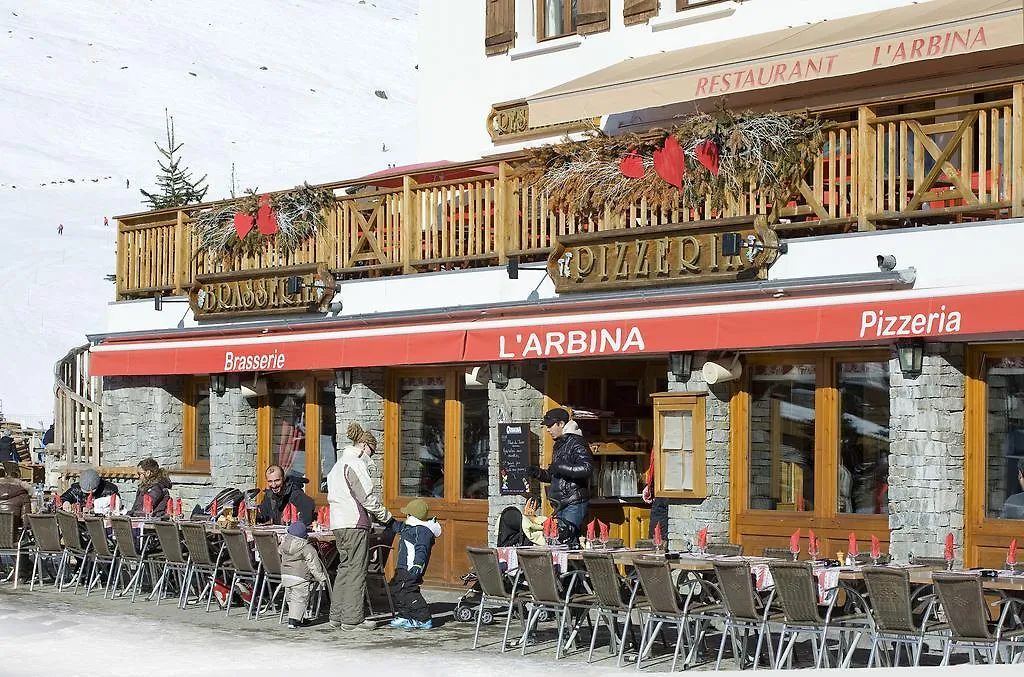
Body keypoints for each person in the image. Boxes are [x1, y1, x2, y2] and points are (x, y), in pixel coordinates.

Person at [326, 422, 392, 631]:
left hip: (338, 524)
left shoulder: (337, 466)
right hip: (355, 523)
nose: (371, 456)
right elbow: (367, 498)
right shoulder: (356, 464)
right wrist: (386, 516)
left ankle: (336, 616)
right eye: (372, 451)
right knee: (356, 570)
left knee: (344, 568)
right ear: (364, 445)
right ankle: (352, 619)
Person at [528, 408, 594, 531]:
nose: (548, 430)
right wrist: (538, 473)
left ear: (561, 424)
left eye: (550, 426)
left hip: (573, 503)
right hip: (561, 504)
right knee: (561, 541)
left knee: (566, 540)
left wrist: (560, 467)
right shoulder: (560, 444)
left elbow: (587, 468)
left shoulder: (576, 442)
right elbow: (555, 475)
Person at [387, 498, 442, 630]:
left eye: (407, 514)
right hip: (403, 567)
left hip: (411, 568)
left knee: (408, 591)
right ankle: (406, 615)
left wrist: (418, 564)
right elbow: (397, 527)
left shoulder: (422, 531)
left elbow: (422, 549)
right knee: (397, 589)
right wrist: (387, 520)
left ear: (412, 516)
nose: (406, 516)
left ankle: (423, 618)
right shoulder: (409, 527)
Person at [279, 521, 329, 629]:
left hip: (285, 576)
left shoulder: (283, 546)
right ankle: (294, 621)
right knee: (299, 599)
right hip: (300, 577)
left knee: (291, 598)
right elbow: (314, 566)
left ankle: (298, 618)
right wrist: (321, 579)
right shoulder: (307, 548)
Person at [641, 455, 669, 541]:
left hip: (669, 494)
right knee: (656, 539)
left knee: (660, 540)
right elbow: (656, 466)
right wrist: (650, 486)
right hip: (659, 495)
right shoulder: (658, 445)